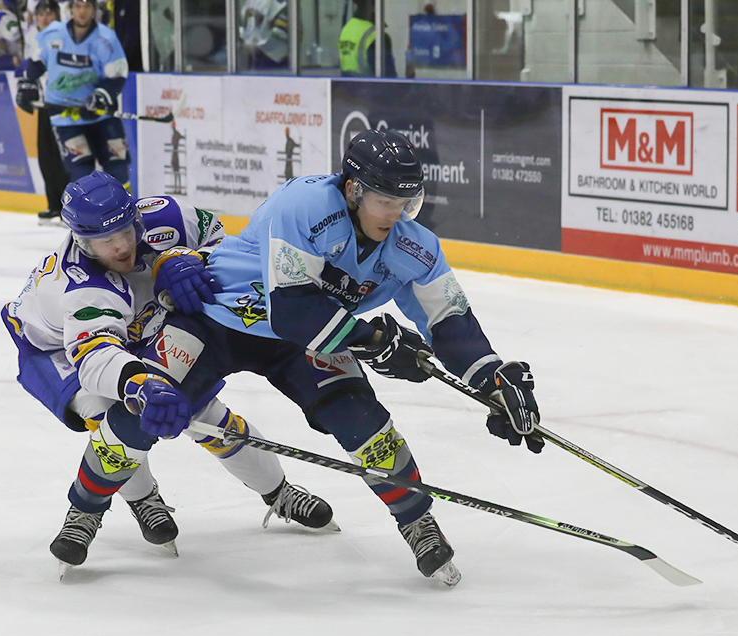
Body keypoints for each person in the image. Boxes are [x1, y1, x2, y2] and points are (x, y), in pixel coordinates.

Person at [140, 129, 543, 587]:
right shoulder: (306, 205)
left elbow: (449, 318)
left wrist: (493, 379)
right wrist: (374, 339)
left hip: (310, 338)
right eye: (386, 202)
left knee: (365, 422)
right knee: (143, 405)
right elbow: (293, 310)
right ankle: (90, 510)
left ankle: (416, 521)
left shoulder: (414, 245)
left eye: (407, 204)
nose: (397, 216)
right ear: (354, 190)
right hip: (222, 319)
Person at [1, 171, 335, 575]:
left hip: (139, 324)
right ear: (81, 241)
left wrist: (185, 258)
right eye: (107, 241)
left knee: (206, 415)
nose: (122, 245)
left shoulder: (169, 217)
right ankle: (137, 501)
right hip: (59, 349)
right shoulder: (81, 288)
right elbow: (95, 356)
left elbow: (221, 241)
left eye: (126, 230)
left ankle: (278, 492)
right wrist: (139, 386)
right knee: (111, 419)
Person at [15, 0, 131, 187]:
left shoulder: (106, 38)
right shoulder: (51, 34)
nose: (82, 11)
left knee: (117, 166)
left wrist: (102, 96)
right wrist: (27, 84)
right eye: (77, 6)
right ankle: (89, 214)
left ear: (93, 10)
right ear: (70, 10)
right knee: (81, 171)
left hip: (102, 116)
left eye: (86, 6)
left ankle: (126, 212)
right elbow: (36, 63)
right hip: (65, 116)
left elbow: (117, 75)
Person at [24, 0, 69, 223]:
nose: (44, 17)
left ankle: (67, 206)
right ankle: (54, 204)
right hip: (45, 105)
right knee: (47, 156)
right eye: (40, 14)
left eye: (49, 13)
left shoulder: (64, 37)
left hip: (63, 105)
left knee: (64, 158)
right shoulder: (37, 39)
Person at [338, 0, 396, 78]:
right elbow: (389, 77)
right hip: (369, 88)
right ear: (372, 7)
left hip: (347, 86)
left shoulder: (347, 28)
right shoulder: (377, 36)